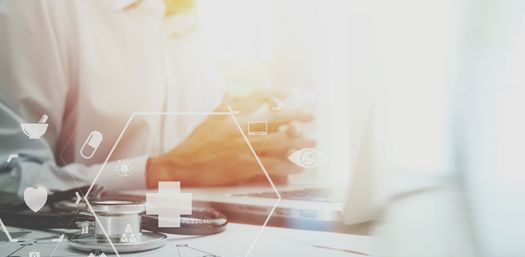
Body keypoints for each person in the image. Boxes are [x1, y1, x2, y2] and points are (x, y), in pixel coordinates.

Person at [0, 0, 314, 197]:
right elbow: (10, 181)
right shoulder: (40, 8)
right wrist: (165, 170)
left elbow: (193, 156)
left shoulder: (189, 26)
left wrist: (240, 149)